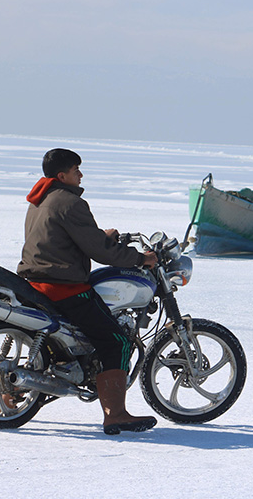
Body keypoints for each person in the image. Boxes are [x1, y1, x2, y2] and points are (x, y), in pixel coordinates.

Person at [15, 148, 159, 435]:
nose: (81, 174)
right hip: (63, 286)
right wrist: (140, 259)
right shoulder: (70, 202)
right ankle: (115, 414)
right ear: (62, 175)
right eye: (76, 169)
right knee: (117, 340)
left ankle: (6, 400)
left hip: (35, 282)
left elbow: (63, 239)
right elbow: (100, 253)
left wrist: (100, 237)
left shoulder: (39, 200)